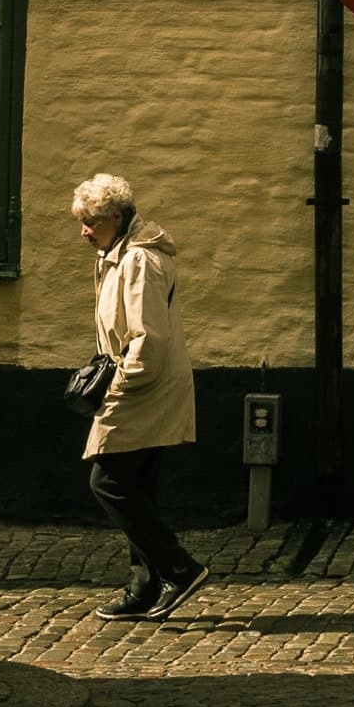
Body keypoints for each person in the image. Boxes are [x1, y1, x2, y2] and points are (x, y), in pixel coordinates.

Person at [71, 172, 203, 620]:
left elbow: (149, 338)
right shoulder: (118, 254)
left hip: (143, 387)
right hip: (144, 384)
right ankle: (143, 587)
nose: (83, 231)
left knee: (108, 483)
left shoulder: (139, 261)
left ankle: (179, 569)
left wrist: (120, 385)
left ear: (114, 216)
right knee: (136, 485)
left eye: (89, 221)